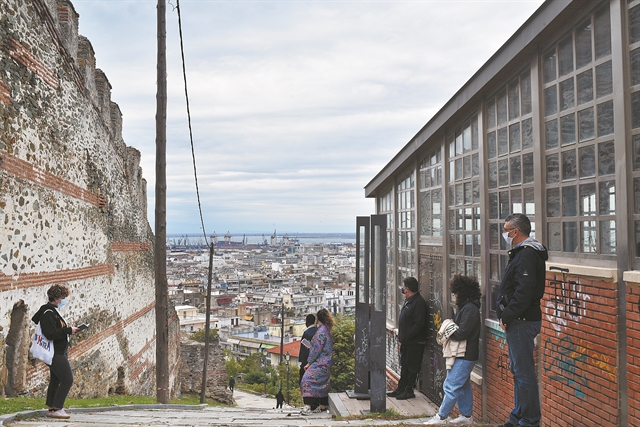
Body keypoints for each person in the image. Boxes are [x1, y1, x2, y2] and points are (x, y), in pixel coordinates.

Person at [496, 213, 547, 427]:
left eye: (506, 230)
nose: (504, 234)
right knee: (518, 371)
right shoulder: (520, 253)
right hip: (518, 319)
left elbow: (523, 292)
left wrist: (507, 315)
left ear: (515, 232)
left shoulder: (527, 254)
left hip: (522, 320)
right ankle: (518, 416)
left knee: (524, 372)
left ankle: (529, 420)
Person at [424, 275, 481, 425]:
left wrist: (449, 330)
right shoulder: (468, 307)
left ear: (462, 292)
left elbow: (462, 333)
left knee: (451, 385)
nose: (454, 295)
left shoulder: (470, 309)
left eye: (456, 292)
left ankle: (441, 417)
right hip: (466, 353)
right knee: (463, 385)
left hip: (465, 354)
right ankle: (466, 416)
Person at [32, 284, 80, 420]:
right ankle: (58, 408)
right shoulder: (48, 313)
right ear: (57, 298)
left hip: (59, 351)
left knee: (56, 379)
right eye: (63, 297)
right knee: (67, 379)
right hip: (55, 353)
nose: (64, 300)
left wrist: (69, 331)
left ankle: (52, 407)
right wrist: (68, 330)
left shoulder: (53, 311)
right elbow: (50, 333)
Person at [387, 276, 428, 400]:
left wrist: (407, 336)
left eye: (404, 286)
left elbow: (419, 324)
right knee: (404, 365)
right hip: (406, 341)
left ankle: (409, 390)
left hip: (414, 342)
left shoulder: (418, 303)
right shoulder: (409, 301)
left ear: (408, 288)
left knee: (412, 367)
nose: (402, 289)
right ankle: (401, 388)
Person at [300, 308, 333, 415]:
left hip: (320, 362)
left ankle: (308, 406)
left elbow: (316, 349)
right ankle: (323, 406)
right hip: (326, 362)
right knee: (323, 383)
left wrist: (309, 362)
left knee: (307, 380)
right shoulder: (326, 330)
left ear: (317, 318)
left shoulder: (321, 332)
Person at [299, 313, 317, 384]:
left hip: (307, 364)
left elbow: (305, 350)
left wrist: (304, 363)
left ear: (307, 322)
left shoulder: (307, 333)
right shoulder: (318, 331)